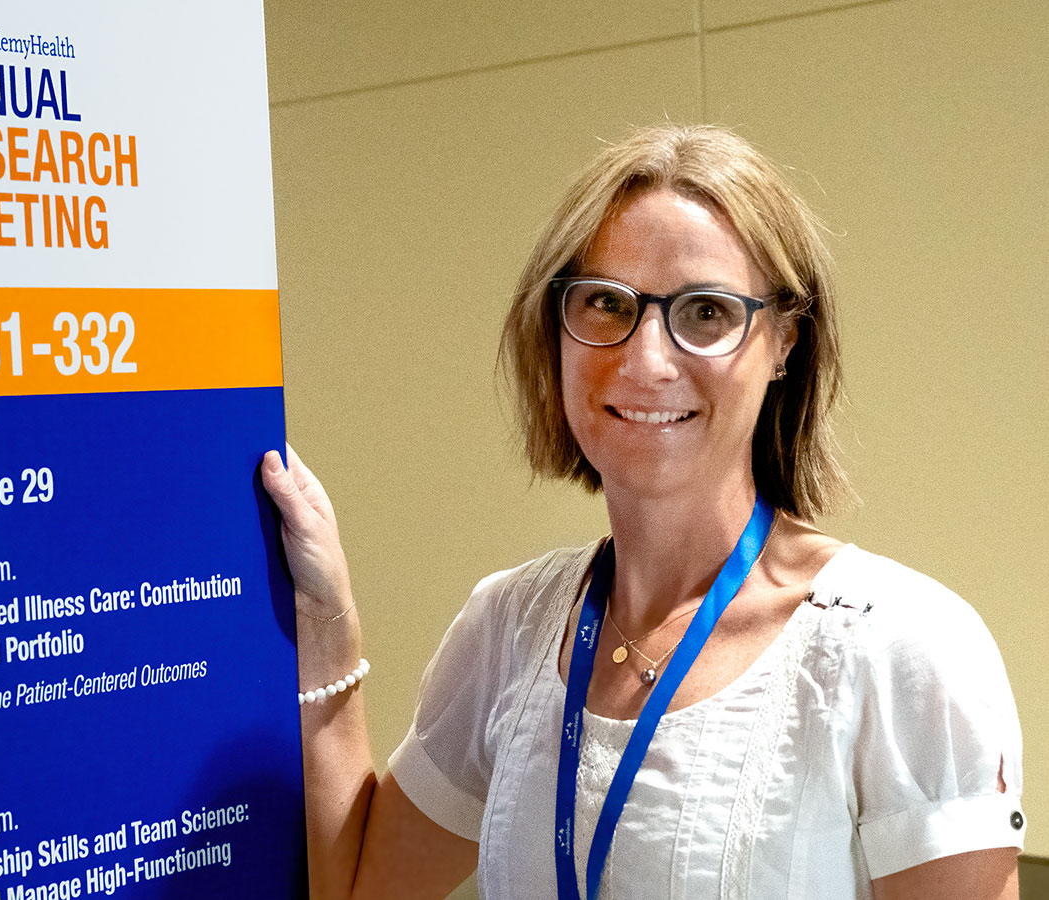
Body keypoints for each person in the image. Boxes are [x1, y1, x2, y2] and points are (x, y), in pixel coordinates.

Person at [260, 124, 1025, 900]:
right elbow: (360, 890)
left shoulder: (902, 647)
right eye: (604, 303)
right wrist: (326, 625)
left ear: (785, 342)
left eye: (705, 313)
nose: (646, 359)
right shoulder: (509, 627)